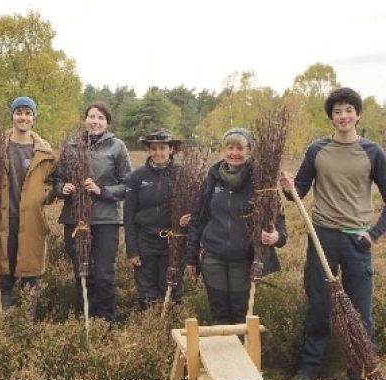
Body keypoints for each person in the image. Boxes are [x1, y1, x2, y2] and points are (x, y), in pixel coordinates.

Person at [280, 87, 386, 380]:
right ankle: (309, 368)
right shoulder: (316, 150)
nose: (343, 116)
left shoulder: (373, 152)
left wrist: (373, 234)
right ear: (331, 117)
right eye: (337, 111)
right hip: (321, 236)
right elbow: (298, 189)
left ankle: (358, 373)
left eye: (348, 110)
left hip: (357, 240)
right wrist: (287, 188)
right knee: (319, 305)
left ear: (358, 115)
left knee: (359, 311)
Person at [185, 127, 287, 325]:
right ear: (224, 150)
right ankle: (220, 355)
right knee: (219, 313)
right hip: (212, 258)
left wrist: (278, 237)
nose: (234, 153)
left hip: (243, 260)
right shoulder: (212, 179)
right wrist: (191, 257)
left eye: (240, 148)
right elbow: (198, 218)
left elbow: (279, 220)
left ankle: (241, 353)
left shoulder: (261, 182)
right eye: (230, 147)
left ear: (249, 151)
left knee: (241, 315)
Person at [53, 101, 132, 322]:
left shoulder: (117, 147)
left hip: (105, 220)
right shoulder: (71, 147)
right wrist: (62, 188)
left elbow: (128, 184)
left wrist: (101, 190)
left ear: (107, 123)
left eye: (100, 118)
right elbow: (57, 180)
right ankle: (84, 320)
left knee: (104, 274)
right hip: (75, 219)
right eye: (92, 116)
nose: (95, 121)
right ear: (85, 119)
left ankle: (107, 322)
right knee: (82, 273)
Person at [0, 97, 56, 313]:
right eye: (19, 112)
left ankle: (27, 326)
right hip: (3, 220)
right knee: (5, 275)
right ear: (12, 115)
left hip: (31, 222)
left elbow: (53, 183)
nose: (23, 117)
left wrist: (43, 196)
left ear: (34, 118)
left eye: (28, 113)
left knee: (30, 277)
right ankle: (5, 326)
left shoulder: (45, 152)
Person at [124, 128, 184, 310]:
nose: (158, 152)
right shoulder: (137, 177)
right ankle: (148, 330)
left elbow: (194, 210)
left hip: (173, 242)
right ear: (149, 150)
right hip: (145, 242)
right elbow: (128, 215)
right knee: (146, 292)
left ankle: (170, 332)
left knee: (172, 290)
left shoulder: (183, 175)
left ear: (171, 149)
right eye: (154, 148)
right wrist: (132, 250)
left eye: (162, 148)